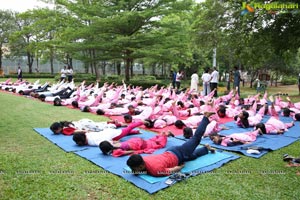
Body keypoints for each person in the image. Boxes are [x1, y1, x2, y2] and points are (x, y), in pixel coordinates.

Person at [126, 112, 216, 177]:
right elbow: (138, 170)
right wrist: (135, 171)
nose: (133, 171)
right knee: (193, 156)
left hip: (179, 153)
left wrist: (180, 167)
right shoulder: (143, 159)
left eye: (134, 169)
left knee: (196, 138)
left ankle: (205, 117)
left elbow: (173, 170)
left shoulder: (155, 171)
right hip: (171, 152)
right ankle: (206, 148)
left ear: (141, 166)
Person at [99, 131, 174, 157]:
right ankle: (164, 134)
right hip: (134, 141)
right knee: (152, 141)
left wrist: (136, 151)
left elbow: (129, 152)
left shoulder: (115, 152)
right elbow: (121, 144)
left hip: (137, 144)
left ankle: (164, 135)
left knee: (158, 145)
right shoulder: (114, 145)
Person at [73, 121, 146, 146]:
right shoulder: (88, 136)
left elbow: (104, 142)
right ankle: (135, 132)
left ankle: (141, 122)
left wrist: (113, 142)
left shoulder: (91, 141)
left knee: (128, 129)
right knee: (124, 131)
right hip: (109, 133)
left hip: (112, 134)